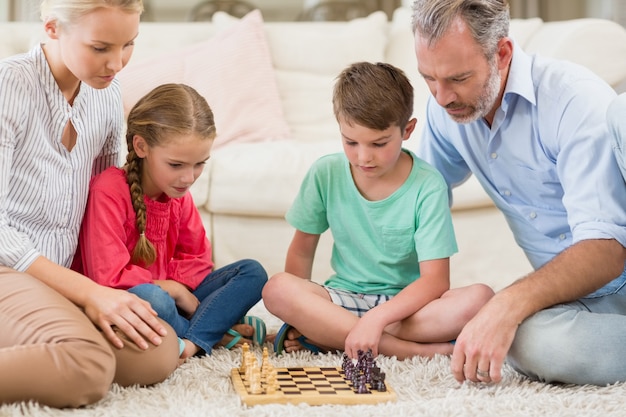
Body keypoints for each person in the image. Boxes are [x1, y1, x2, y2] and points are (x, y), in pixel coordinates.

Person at [411, 0, 626, 386]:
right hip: (581, 300)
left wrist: (507, 302)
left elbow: (606, 250)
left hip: (614, 264)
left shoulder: (573, 100)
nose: (441, 97)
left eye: (458, 78)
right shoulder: (447, 110)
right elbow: (413, 204)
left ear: (503, 53)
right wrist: (365, 306)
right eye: (428, 77)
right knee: (524, 342)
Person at [0, 0, 183, 408]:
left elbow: (102, 206)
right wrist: (88, 293)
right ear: (52, 28)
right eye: (100, 48)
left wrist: (102, 291)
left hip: (57, 278)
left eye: (128, 45)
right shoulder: (9, 86)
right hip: (8, 268)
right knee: (87, 365)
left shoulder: (105, 91)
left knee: (158, 348)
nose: (116, 63)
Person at [262, 61, 494, 360]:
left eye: (379, 143)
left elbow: (435, 281)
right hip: (344, 300)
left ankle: (335, 335)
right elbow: (302, 251)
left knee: (481, 298)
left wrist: (376, 319)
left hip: (407, 310)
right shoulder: (326, 173)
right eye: (350, 142)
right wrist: (295, 317)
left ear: (407, 130)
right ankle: (409, 352)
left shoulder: (428, 186)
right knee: (277, 289)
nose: (363, 157)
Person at [73, 83, 268, 359]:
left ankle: (191, 339)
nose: (188, 178)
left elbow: (199, 258)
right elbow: (107, 278)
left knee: (253, 272)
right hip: (139, 299)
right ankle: (213, 332)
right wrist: (172, 289)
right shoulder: (108, 190)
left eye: (199, 164)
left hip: (178, 299)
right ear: (141, 146)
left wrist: (182, 292)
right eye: (176, 165)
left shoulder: (177, 193)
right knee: (154, 298)